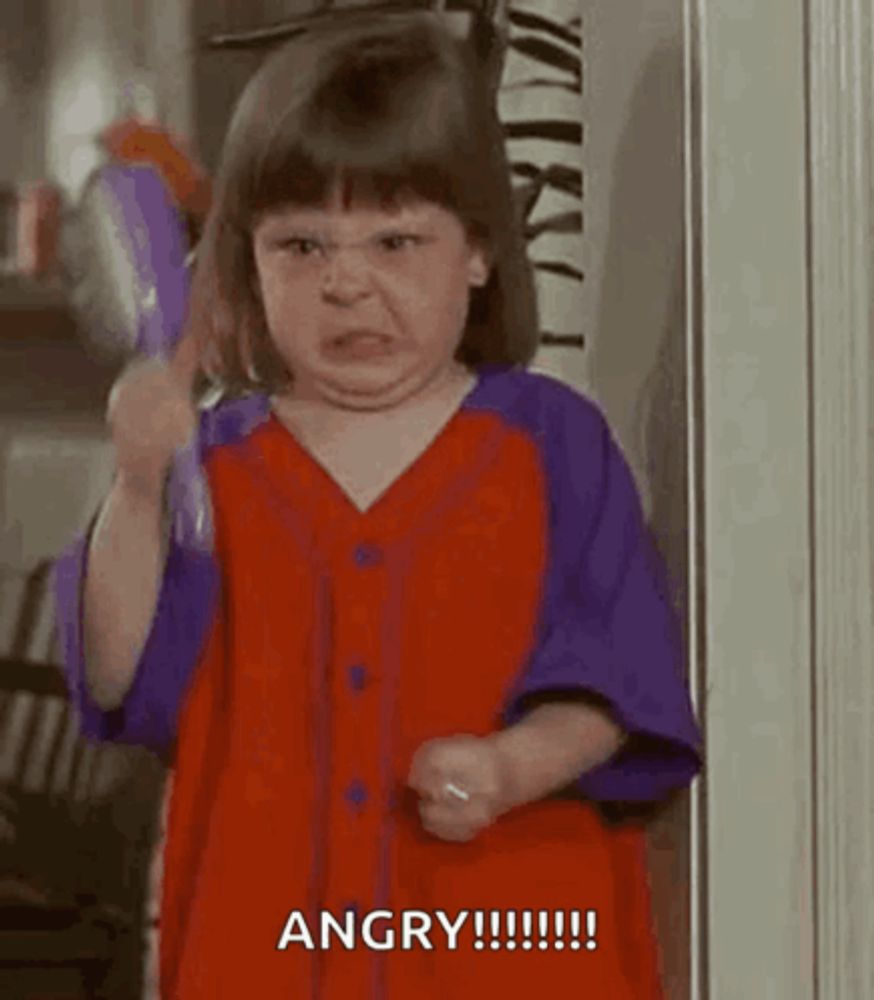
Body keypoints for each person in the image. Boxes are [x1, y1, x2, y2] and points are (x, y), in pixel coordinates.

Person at [53, 10, 702, 998]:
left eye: (395, 239)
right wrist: (138, 487)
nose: (347, 283)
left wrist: (511, 765)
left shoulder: (552, 445)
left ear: (478, 252)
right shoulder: (216, 464)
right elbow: (117, 675)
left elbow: (617, 683)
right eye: (301, 245)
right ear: (248, 258)